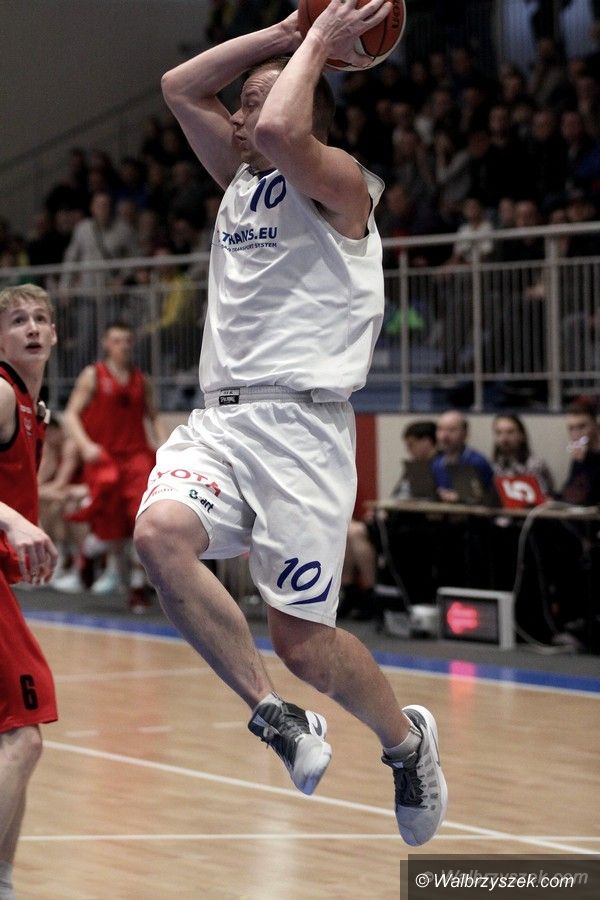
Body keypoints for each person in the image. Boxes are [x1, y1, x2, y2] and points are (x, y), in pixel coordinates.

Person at [133, 0, 447, 846]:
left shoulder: (344, 183)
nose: (241, 116)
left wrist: (320, 42)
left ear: (306, 106)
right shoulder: (242, 181)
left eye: (258, 100)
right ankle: (274, 714)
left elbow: (279, 130)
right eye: (241, 105)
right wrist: (285, 31)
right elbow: (178, 86)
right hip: (221, 420)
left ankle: (407, 744)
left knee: (306, 645)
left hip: (303, 430)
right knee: (159, 536)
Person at [0, 284, 59, 899]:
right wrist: (11, 519)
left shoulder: (31, 405)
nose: (33, 328)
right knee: (24, 734)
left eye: (41, 318)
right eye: (18, 320)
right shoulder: (0, 392)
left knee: (16, 739)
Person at [63, 322, 166, 611]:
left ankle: (138, 585)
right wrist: (85, 445)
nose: (123, 345)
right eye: (117, 340)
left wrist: (164, 444)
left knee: (141, 520)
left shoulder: (141, 379)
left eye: (127, 340)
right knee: (110, 530)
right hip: (105, 461)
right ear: (106, 344)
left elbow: (154, 416)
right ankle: (88, 554)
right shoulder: (93, 375)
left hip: (137, 459)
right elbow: (70, 415)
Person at [433, 409, 494, 501]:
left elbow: (489, 497)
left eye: (451, 430)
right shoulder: (436, 463)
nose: (444, 436)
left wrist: (461, 497)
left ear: (465, 434)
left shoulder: (477, 462)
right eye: (440, 429)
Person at [492, 414, 554, 494]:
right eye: (499, 433)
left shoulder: (535, 464)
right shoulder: (493, 465)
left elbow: (544, 495)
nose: (504, 438)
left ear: (522, 435)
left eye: (510, 432)